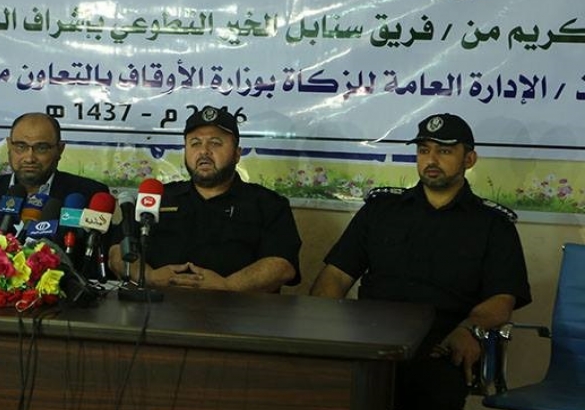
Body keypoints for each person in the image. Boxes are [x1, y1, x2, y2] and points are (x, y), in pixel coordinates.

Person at [310, 113, 531, 410]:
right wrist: (323, 330)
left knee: (431, 390)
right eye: (424, 150)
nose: (431, 159)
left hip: (439, 345)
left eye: (444, 151)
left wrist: (468, 329)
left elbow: (502, 300)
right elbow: (335, 276)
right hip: (370, 339)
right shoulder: (381, 210)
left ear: (469, 159)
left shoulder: (493, 225)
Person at [109, 106, 301, 292]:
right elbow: (117, 250)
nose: (204, 151)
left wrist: (228, 286)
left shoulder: (268, 204)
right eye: (195, 143)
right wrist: (148, 276)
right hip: (157, 306)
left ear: (237, 154)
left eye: (215, 143)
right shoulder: (157, 197)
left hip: (237, 310)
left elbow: (282, 265)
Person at [0, 112, 109, 238]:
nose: (29, 158)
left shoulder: (89, 195)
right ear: (9, 145)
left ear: (60, 149)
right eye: (21, 146)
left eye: (41, 148)